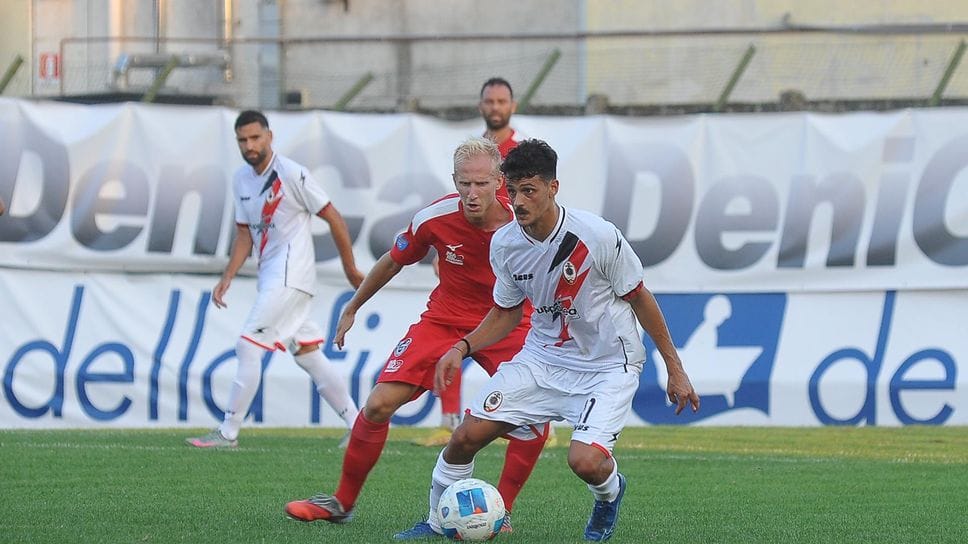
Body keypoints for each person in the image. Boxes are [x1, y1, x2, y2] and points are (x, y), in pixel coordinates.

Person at [399, 139, 701, 542]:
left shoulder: (597, 236)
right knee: (465, 437)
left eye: (529, 191)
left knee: (585, 462)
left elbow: (640, 299)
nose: (518, 202)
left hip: (607, 365)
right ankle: (437, 522)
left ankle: (609, 495)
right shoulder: (505, 245)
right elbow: (506, 312)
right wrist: (462, 346)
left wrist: (675, 369)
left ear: (552, 189)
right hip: (541, 360)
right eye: (512, 191)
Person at [284, 137, 549, 534]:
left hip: (509, 322)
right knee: (377, 404)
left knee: (531, 423)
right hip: (445, 319)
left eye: (481, 184)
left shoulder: (525, 220)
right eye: (464, 184)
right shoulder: (434, 218)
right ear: (454, 181)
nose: (472, 194)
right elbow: (394, 261)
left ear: (499, 181)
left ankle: (501, 512)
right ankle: (341, 503)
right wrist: (353, 306)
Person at [186, 110, 364, 448]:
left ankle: (228, 432)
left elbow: (334, 216)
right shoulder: (241, 179)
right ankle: (358, 426)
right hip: (272, 275)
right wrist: (227, 276)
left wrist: (350, 268)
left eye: (255, 137)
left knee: (247, 345)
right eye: (243, 140)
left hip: (290, 275)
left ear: (270, 136)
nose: (249, 145)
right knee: (308, 354)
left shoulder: (291, 174)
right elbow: (244, 234)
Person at [420, 76, 526, 447]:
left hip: (505, 272)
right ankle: (450, 421)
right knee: (453, 332)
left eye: (502, 101)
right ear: (481, 105)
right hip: (470, 268)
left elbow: (530, 214)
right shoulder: (473, 152)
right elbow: (457, 217)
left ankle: (538, 420)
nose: (495, 107)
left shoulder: (521, 153)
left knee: (518, 346)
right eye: (489, 101)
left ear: (512, 106)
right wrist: (445, 254)